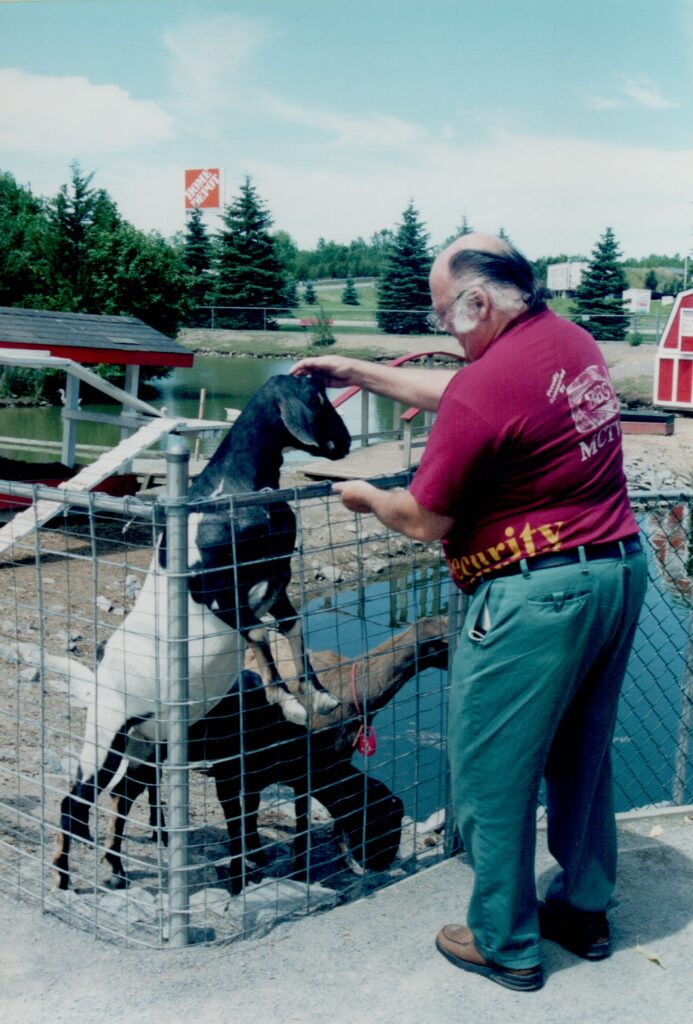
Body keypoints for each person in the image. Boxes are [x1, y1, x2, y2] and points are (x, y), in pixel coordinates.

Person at [292, 233, 647, 992]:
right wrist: (356, 370)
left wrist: (356, 494)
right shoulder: (569, 343)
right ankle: (582, 910)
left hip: (535, 594)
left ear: (480, 302)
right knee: (582, 754)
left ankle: (505, 941)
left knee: (489, 771)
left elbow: (424, 519)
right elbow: (470, 394)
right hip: (615, 570)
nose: (443, 329)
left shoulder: (489, 386)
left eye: (445, 314)